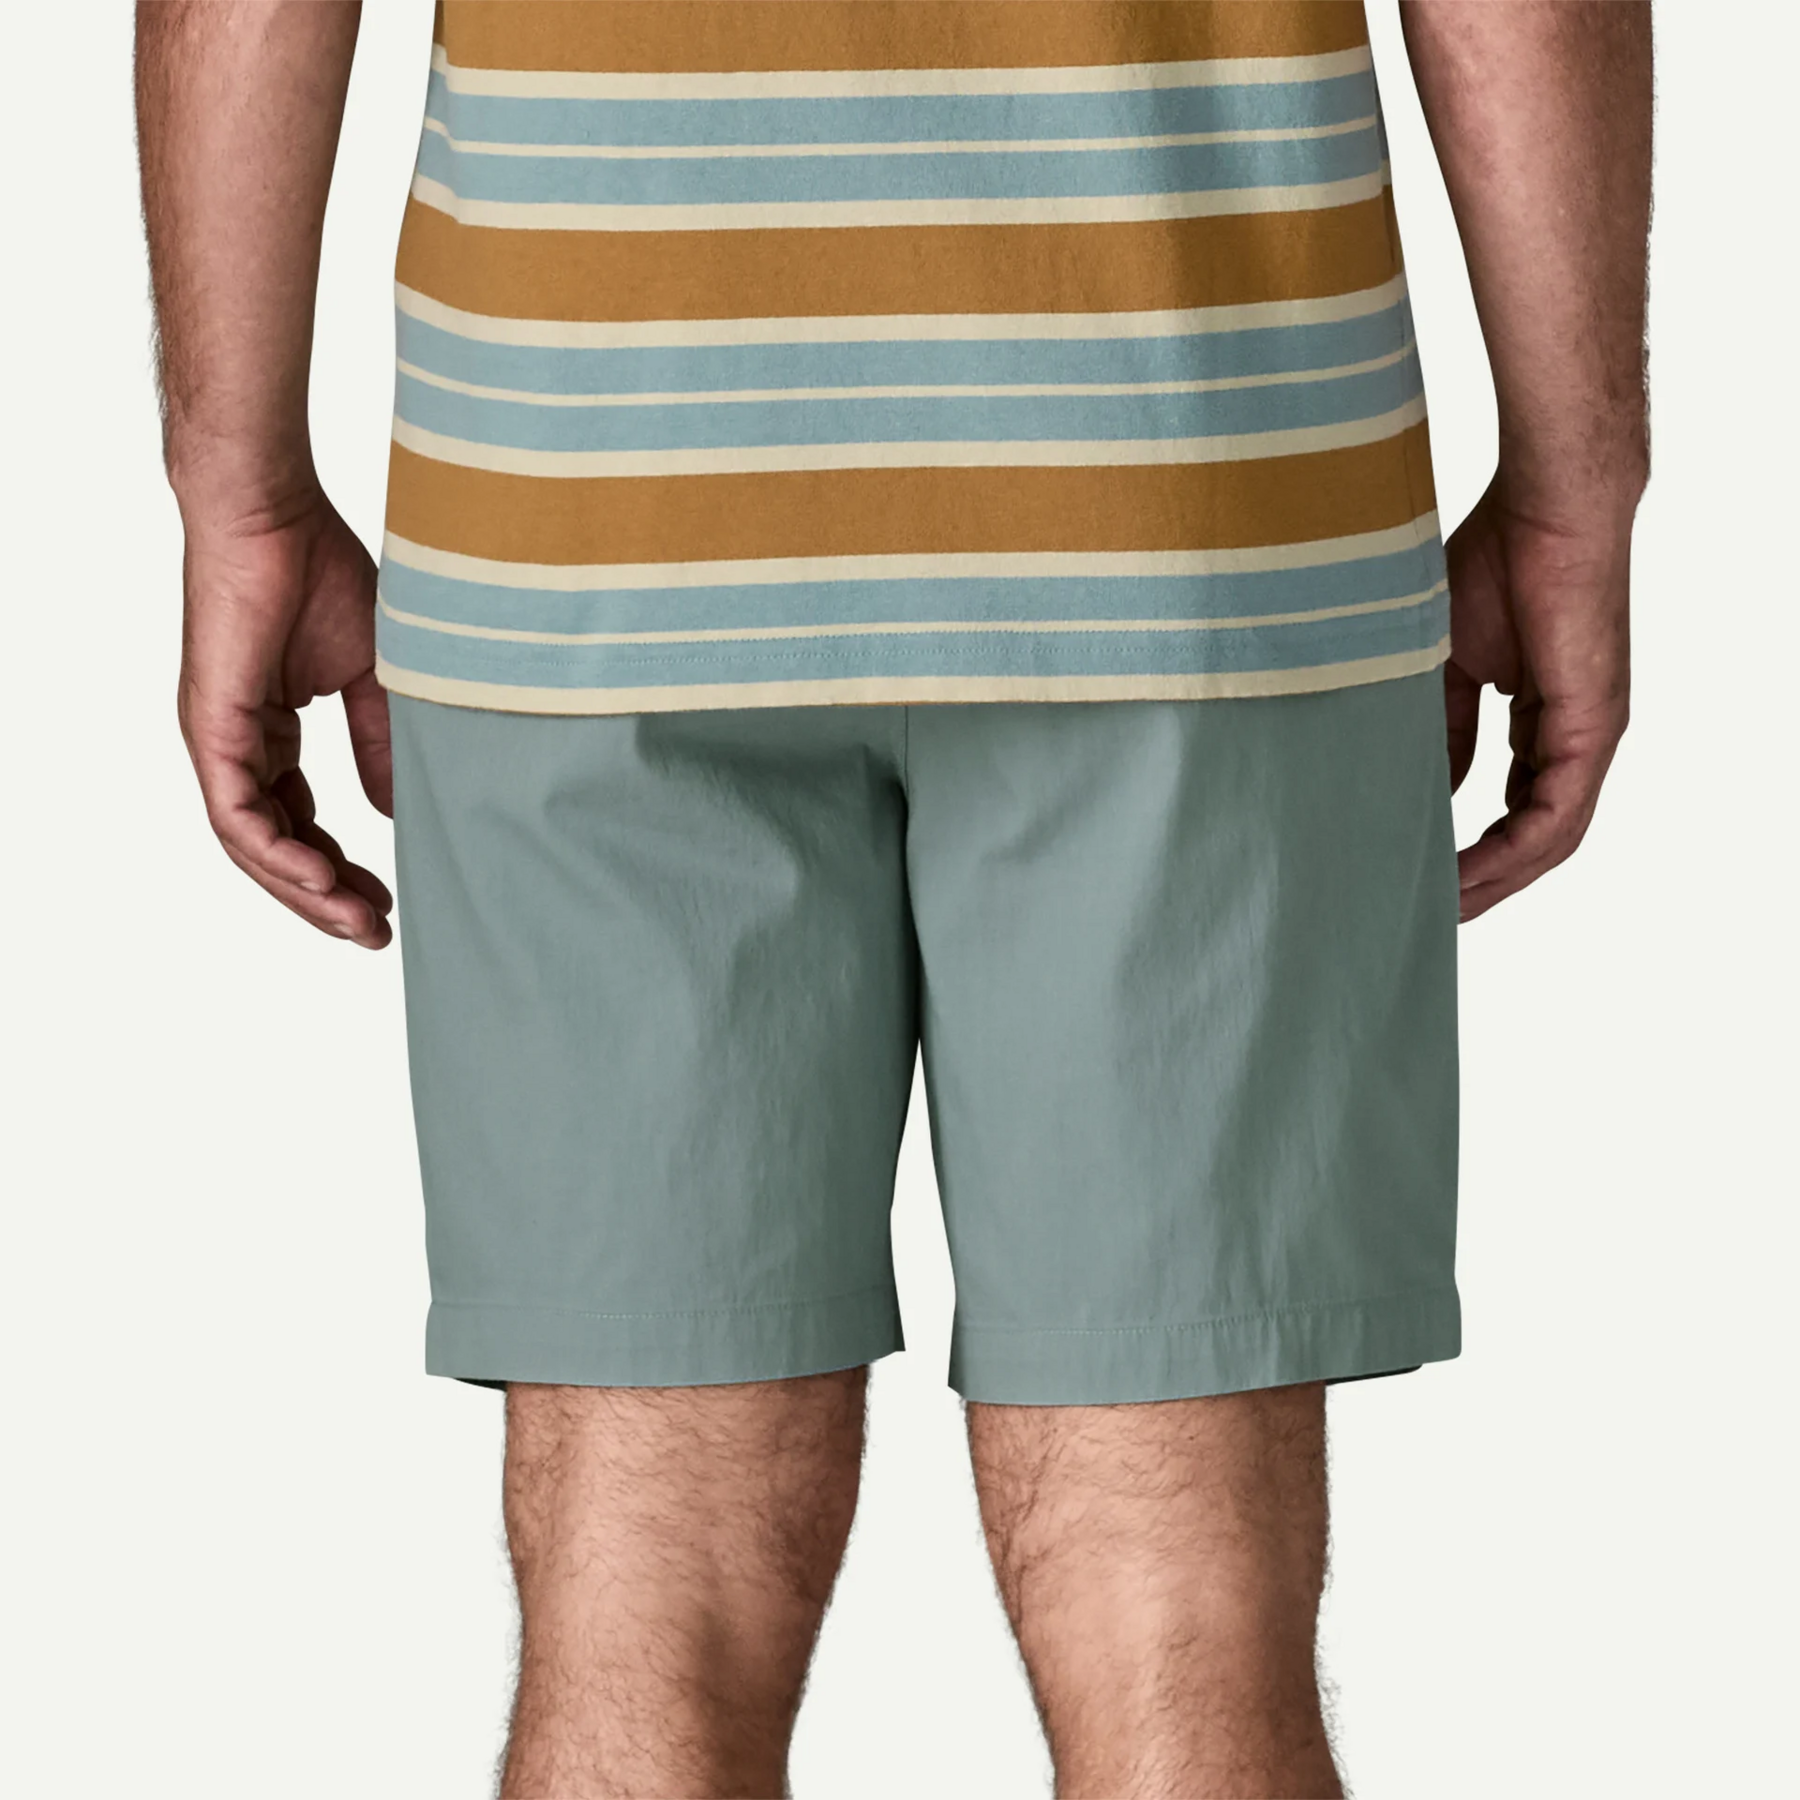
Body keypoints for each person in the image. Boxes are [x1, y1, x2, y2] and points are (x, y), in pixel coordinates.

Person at [135, 2, 1650, 1793]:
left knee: (645, 1594)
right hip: (1196, 500)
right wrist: (1578, 483)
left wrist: (237, 491)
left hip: (594, 491)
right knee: (1182, 1603)